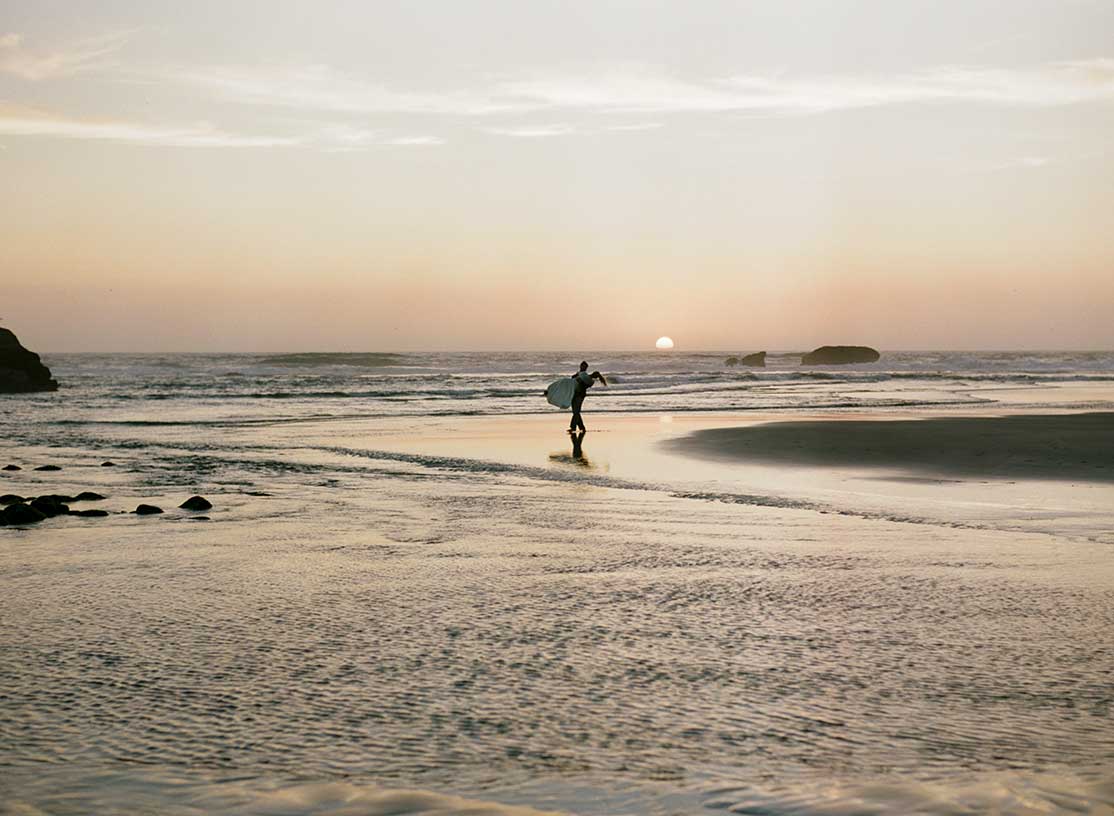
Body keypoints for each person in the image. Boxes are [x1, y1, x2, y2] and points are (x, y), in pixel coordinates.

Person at [569, 361, 607, 433]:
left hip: (579, 395)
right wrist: (576, 376)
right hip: (573, 394)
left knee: (576, 412)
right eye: (582, 366)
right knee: (576, 412)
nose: (583, 367)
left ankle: (573, 427)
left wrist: (579, 380)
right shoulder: (581, 375)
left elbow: (584, 386)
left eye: (584, 367)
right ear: (580, 366)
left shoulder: (589, 380)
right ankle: (582, 427)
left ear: (586, 368)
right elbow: (572, 379)